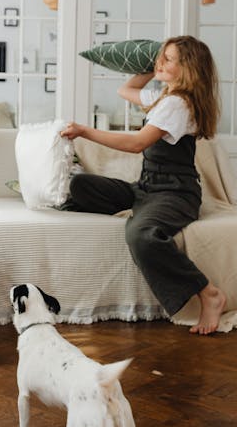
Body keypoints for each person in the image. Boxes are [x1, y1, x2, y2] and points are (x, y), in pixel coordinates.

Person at [61, 35, 227, 336]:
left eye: (169, 59)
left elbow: (137, 144)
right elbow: (127, 89)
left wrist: (85, 131)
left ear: (188, 68)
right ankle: (133, 206)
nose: (160, 62)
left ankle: (207, 292)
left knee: (141, 236)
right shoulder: (166, 96)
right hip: (147, 187)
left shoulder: (178, 104)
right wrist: (155, 64)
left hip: (175, 193)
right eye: (160, 57)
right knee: (81, 186)